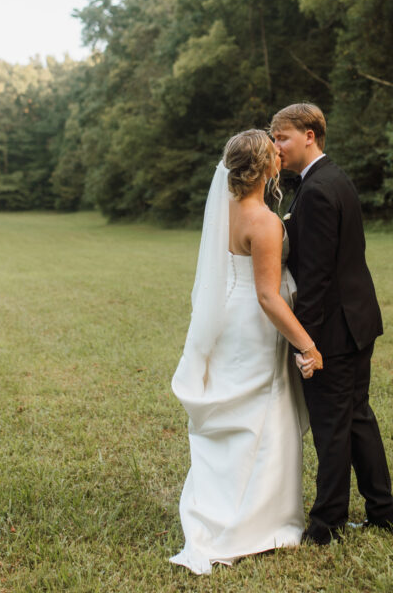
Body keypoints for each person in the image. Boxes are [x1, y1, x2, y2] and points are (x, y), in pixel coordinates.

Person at [170, 129, 323, 574]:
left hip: (227, 319)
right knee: (264, 412)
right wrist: (308, 346)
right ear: (263, 167)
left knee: (236, 414)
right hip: (256, 325)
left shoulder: (229, 210)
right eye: (274, 154)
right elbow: (269, 296)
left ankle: (222, 509)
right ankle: (263, 523)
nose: (281, 158)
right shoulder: (264, 221)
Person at [270, 102, 393, 545]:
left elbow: (318, 278)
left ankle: (327, 527)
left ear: (310, 135)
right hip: (357, 321)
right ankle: (383, 513)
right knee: (357, 417)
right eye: (273, 139)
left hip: (335, 329)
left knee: (332, 426)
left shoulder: (320, 190)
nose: (277, 147)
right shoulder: (330, 180)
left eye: (282, 137)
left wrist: (305, 343)